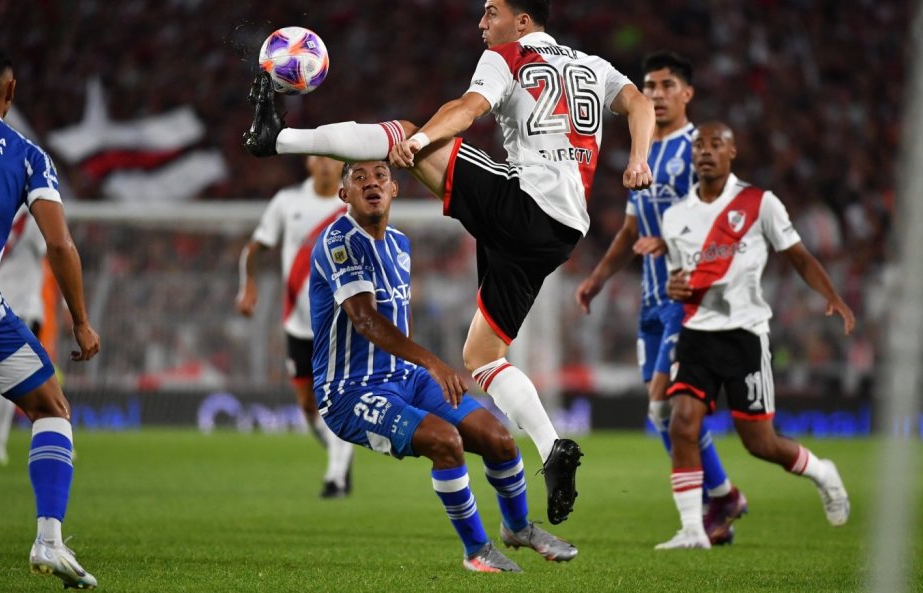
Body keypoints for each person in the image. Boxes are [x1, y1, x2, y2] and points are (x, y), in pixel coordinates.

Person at [243, 0, 656, 525]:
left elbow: (467, 108)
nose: (482, 23)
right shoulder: (593, 66)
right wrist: (638, 158)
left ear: (522, 22)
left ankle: (276, 138)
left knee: (402, 130)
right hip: (563, 230)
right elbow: (639, 104)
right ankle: (552, 448)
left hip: (525, 202)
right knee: (482, 355)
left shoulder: (509, 56)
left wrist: (418, 141)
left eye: (491, 12)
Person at [310, 160, 577, 571]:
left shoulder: (399, 243)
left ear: (394, 189)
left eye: (380, 175)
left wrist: (421, 370)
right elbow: (365, 321)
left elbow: (399, 317)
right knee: (445, 441)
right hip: (350, 392)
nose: (371, 183)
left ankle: (518, 527)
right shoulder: (338, 242)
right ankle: (477, 551)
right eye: (359, 178)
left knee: (499, 439)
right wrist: (434, 363)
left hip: (406, 378)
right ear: (344, 194)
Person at [574, 52, 746, 545]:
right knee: (665, 414)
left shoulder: (699, 150)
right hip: (652, 300)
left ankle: (707, 511)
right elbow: (632, 229)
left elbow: (725, 222)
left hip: (689, 295)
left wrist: (671, 242)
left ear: (687, 93)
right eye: (648, 86)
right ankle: (722, 496)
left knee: (662, 408)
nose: (655, 94)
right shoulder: (644, 149)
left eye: (667, 85)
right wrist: (598, 279)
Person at [656, 121, 854, 549]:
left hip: (744, 336)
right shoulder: (675, 216)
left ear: (732, 152)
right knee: (682, 423)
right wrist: (674, 287)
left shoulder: (759, 203)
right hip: (696, 334)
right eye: (700, 145)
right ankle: (692, 530)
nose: (706, 151)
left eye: (716, 144)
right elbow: (680, 279)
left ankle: (823, 472)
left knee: (760, 443)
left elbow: (798, 256)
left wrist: (832, 296)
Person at [0, 42, 101, 588]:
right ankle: (49, 539)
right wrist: (81, 320)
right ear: (10, 90)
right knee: (51, 407)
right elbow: (61, 244)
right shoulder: (26, 155)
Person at [236, 155, 356, 498]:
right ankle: (340, 455)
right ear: (308, 163)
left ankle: (336, 476)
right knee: (308, 406)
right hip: (298, 323)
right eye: (319, 157)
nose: (325, 164)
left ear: (341, 165)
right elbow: (254, 248)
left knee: (337, 401)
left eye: (332, 158)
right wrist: (248, 286)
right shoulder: (287, 201)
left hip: (339, 321)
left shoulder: (352, 203)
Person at [0, 206, 47, 467]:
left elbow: (54, 249)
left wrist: (65, 305)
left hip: (22, 309)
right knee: (30, 381)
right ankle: (58, 439)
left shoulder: (34, 215)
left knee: (10, 381)